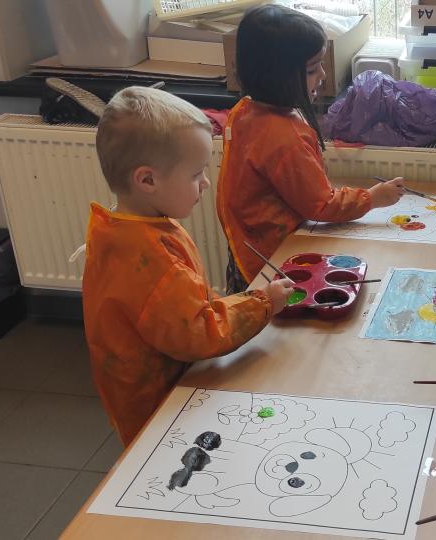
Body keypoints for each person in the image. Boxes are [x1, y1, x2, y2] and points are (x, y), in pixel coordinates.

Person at [82, 86, 293, 445]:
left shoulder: (128, 226)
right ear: (147, 180)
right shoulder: (150, 258)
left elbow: (189, 305)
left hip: (156, 390)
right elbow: (199, 332)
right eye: (196, 174)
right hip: (161, 408)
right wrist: (263, 303)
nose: (206, 183)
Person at [217, 4, 404, 293]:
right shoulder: (281, 136)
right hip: (273, 259)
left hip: (250, 245)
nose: (323, 76)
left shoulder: (246, 110)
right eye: (312, 69)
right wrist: (372, 198)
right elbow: (321, 205)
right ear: (275, 74)